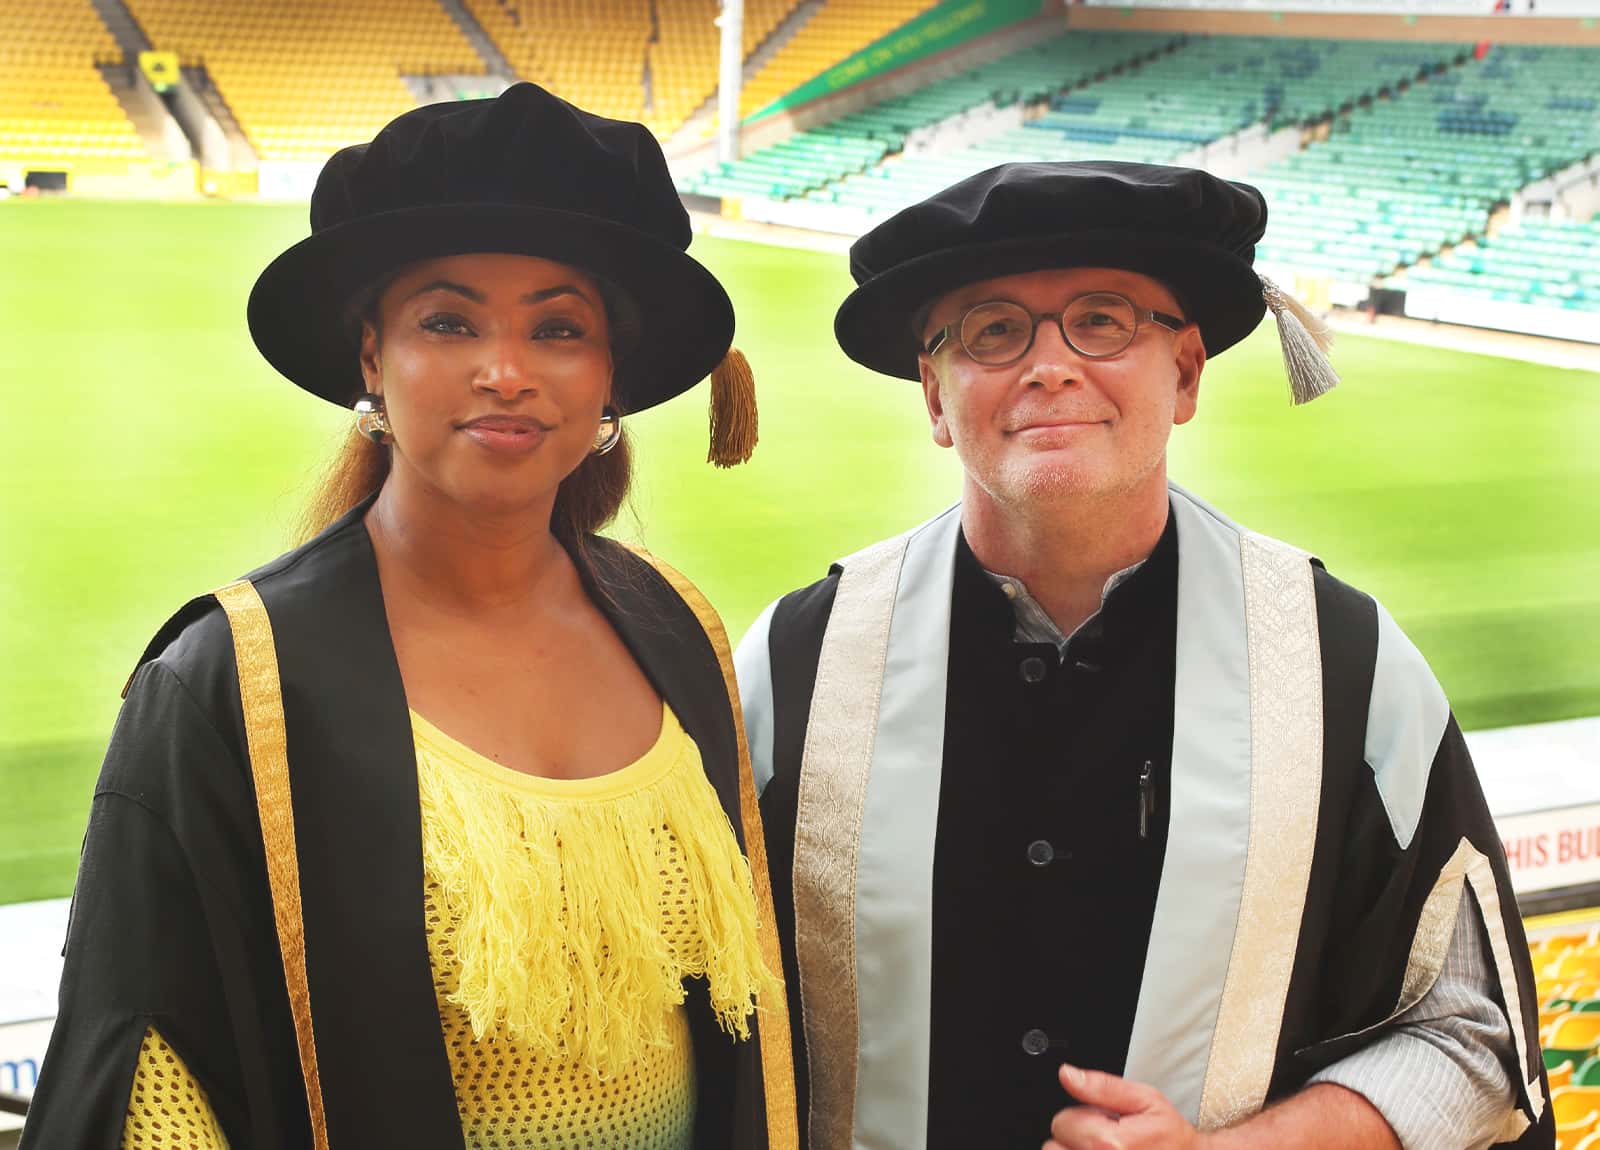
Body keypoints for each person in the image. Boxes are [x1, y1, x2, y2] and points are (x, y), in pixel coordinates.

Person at [22, 83, 796, 1150]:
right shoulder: (229, 682)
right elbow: (155, 1072)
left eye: (559, 327)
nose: (506, 372)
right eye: (448, 321)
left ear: (610, 374)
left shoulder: (677, 629)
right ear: (371, 357)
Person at [734, 162, 1551, 1150]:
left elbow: (1470, 1035)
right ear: (935, 397)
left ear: (1187, 373)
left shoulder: (1345, 670)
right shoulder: (797, 670)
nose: (1049, 366)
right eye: (992, 329)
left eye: (1103, 320)